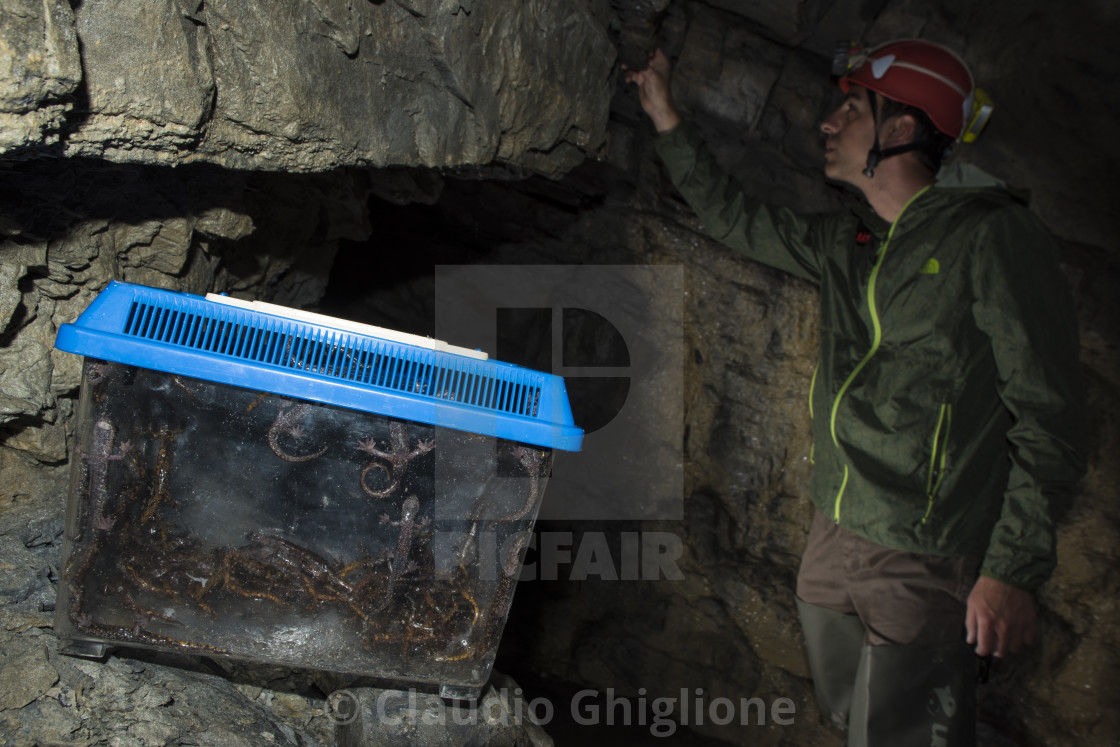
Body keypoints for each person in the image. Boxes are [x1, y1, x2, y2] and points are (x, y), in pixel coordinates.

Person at [627, 40, 1086, 745]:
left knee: (904, 729)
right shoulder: (855, 242)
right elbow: (736, 218)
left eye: (850, 108)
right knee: (854, 716)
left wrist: (1011, 569)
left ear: (900, 130)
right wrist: (664, 114)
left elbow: (1048, 415)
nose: (827, 123)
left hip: (923, 549)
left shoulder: (991, 238)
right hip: (835, 530)